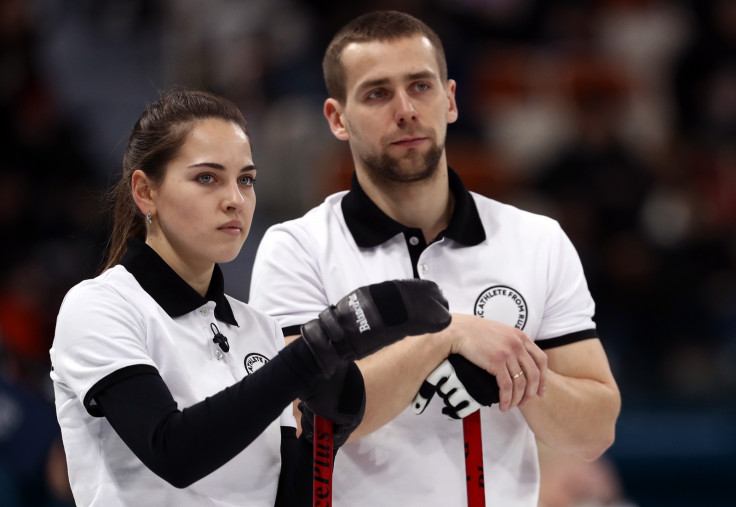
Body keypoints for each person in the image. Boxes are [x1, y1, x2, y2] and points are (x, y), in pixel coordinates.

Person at [248, 10, 621, 506]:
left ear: (449, 100)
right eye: (377, 93)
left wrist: (514, 374)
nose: (405, 109)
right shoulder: (297, 247)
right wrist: (447, 339)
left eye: (420, 87)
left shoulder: (537, 239)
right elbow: (302, 422)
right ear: (338, 119)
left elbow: (595, 431)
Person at [49, 89, 452, 507]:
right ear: (146, 192)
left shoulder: (258, 327)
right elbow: (174, 453)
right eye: (207, 178)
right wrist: (317, 350)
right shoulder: (100, 306)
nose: (235, 200)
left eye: (246, 180)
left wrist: (324, 439)